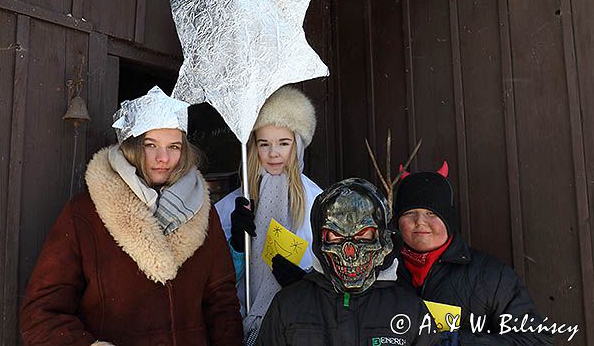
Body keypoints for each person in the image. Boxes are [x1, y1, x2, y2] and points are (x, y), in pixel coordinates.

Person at [20, 86, 243, 346]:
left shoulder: (202, 211)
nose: (163, 158)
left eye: (174, 146)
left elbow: (222, 301)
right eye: (151, 145)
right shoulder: (84, 214)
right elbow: (41, 314)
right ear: (133, 147)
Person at [256, 178, 440, 346]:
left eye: (362, 235)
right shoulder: (288, 306)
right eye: (336, 236)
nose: (350, 253)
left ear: (382, 238)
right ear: (321, 241)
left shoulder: (409, 309)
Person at [394, 162, 553, 345]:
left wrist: (461, 342)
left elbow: (537, 340)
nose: (420, 222)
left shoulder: (492, 275)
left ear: (448, 219)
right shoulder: (380, 275)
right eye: (410, 212)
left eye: (431, 212)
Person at [215, 86, 322, 342]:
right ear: (254, 147)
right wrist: (236, 249)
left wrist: (304, 281)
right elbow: (214, 282)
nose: (274, 154)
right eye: (265, 144)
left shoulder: (318, 202)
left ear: (297, 146)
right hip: (241, 327)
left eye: (283, 143)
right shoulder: (231, 206)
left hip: (300, 327)